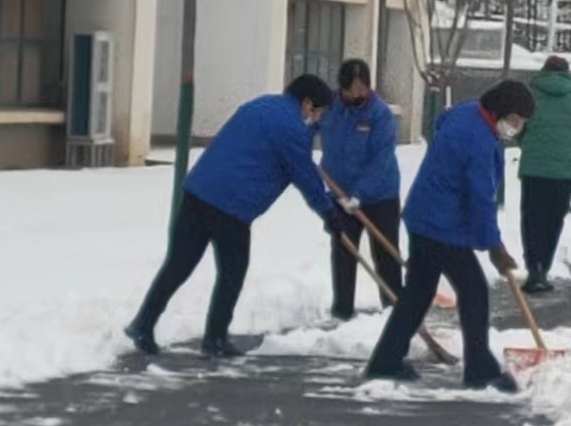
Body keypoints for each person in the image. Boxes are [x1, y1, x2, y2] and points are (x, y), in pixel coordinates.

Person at [125, 75, 344, 360]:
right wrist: (329, 212)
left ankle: (143, 324)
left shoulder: (260, 105)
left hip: (198, 192)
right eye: (318, 112)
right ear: (306, 103)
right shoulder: (291, 128)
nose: (317, 119)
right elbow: (303, 173)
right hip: (231, 205)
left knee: (178, 265)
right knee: (232, 272)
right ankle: (215, 339)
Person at [365, 80, 536, 393]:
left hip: (424, 216)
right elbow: (481, 199)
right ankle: (480, 371)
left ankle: (386, 360)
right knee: (474, 291)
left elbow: (442, 126)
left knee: (418, 292)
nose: (515, 128)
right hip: (442, 226)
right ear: (500, 110)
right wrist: (494, 246)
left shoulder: (467, 113)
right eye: (514, 120)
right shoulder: (479, 141)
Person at [319, 58, 402, 320]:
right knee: (343, 251)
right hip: (340, 194)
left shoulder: (380, 114)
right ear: (341, 88)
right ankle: (342, 310)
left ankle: (394, 309)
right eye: (352, 89)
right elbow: (309, 127)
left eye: (362, 88)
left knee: (385, 254)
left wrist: (359, 194)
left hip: (380, 196)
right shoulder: (330, 108)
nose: (358, 94)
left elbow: (381, 159)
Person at [517, 56, 571, 294]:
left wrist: (530, 147)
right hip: (563, 173)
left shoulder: (531, 97)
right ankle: (544, 269)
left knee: (532, 219)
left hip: (534, 169)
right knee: (553, 220)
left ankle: (533, 269)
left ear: (544, 71)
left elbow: (520, 130)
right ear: (567, 74)